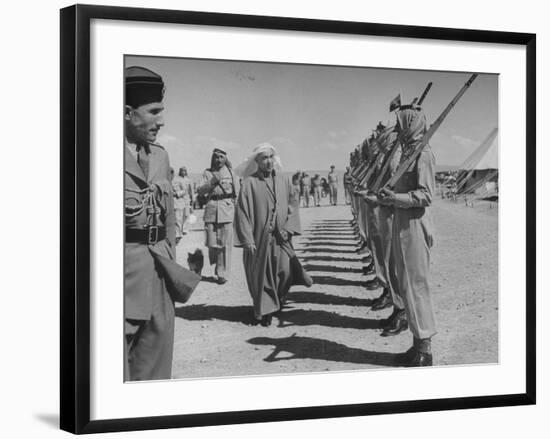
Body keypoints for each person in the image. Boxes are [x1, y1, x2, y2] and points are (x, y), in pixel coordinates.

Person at [124, 66, 200, 381]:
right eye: (153, 111)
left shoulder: (160, 157)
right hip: (120, 277)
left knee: (155, 366)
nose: (161, 120)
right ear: (127, 112)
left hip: (159, 272)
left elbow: (167, 217)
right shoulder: (89, 155)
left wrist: (170, 256)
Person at [377, 104, 436, 367]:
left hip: (415, 225)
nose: (399, 130)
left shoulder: (423, 154)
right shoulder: (408, 154)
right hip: (402, 223)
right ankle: (416, 345)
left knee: (417, 288)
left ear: (412, 125)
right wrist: (390, 199)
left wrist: (396, 198)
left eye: (402, 125)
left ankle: (425, 349)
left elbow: (426, 196)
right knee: (407, 286)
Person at [234, 143, 313, 326]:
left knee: (284, 271)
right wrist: (247, 239)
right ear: (257, 161)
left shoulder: (284, 180)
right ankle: (266, 309)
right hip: (259, 238)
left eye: (271, 157)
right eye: (264, 158)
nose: (268, 161)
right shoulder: (249, 183)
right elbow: (242, 213)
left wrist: (289, 227)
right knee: (262, 274)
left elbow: (293, 204)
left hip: (282, 237)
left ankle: (278, 299)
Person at [197, 148, 238, 284]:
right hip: (211, 209)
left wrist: (238, 212)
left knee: (225, 243)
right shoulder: (207, 173)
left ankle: (222, 273)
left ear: (226, 158)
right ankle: (217, 265)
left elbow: (237, 193)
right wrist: (213, 181)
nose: (218, 160)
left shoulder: (232, 173)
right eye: (216, 157)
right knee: (212, 243)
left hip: (227, 209)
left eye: (221, 157)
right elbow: (200, 192)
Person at [172, 166, 194, 242]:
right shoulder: (177, 179)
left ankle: (184, 229)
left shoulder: (188, 180)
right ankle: (179, 231)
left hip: (187, 199)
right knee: (179, 216)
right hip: (180, 200)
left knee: (186, 215)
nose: (183, 172)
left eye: (184, 171)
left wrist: (193, 200)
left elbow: (191, 190)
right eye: (182, 171)